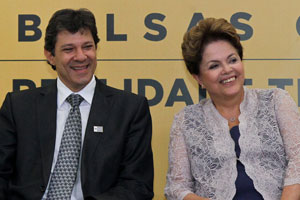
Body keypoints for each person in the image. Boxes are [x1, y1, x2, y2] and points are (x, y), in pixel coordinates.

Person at [0, 8, 154, 200]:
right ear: (50, 56)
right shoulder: (18, 107)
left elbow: (138, 186)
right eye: (68, 49)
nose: (81, 56)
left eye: (87, 46)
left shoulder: (130, 109)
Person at [164, 18, 300, 200]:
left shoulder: (276, 101)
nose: (227, 70)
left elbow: (298, 160)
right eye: (214, 65)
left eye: (232, 60)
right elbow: (176, 187)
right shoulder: (186, 120)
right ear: (198, 78)